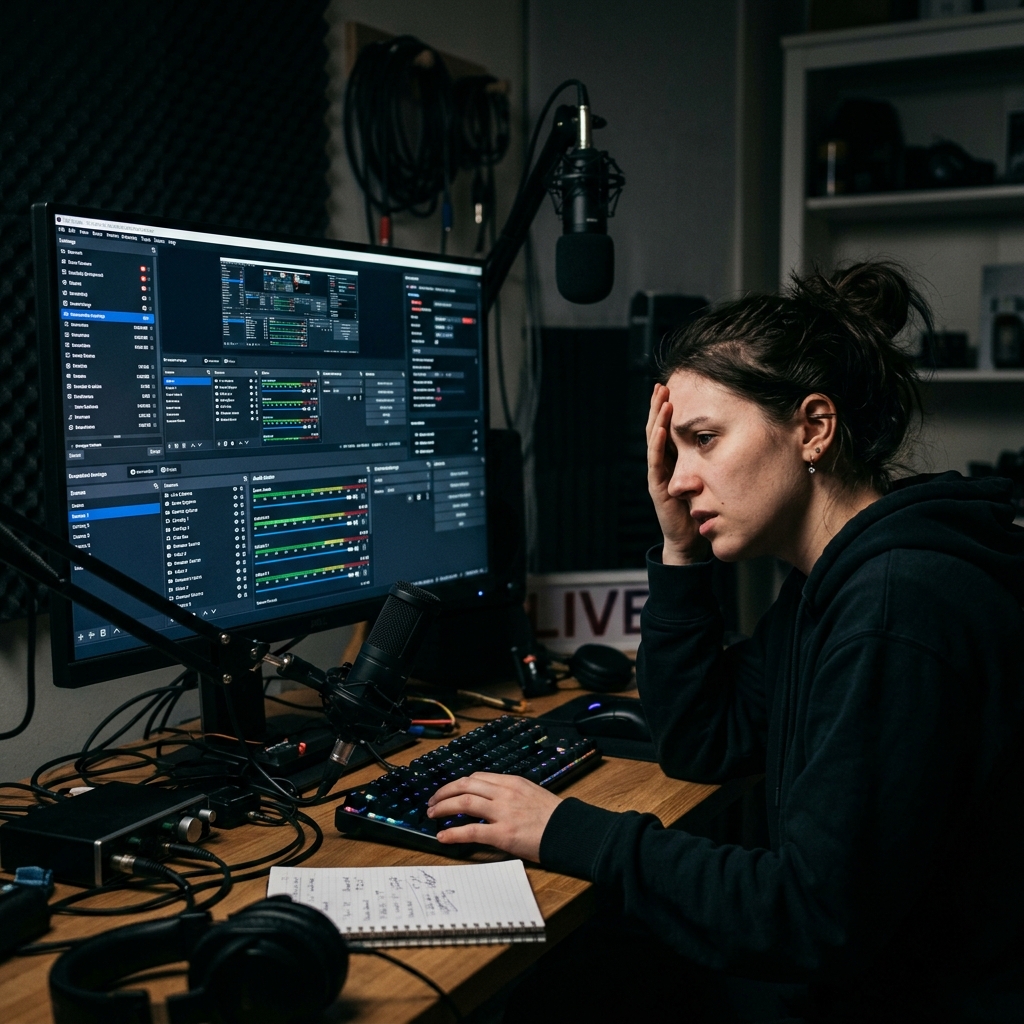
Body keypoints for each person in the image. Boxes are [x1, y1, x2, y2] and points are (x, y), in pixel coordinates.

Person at [427, 262, 1024, 1023]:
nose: (677, 480)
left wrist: (563, 828)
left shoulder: (896, 605)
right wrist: (681, 555)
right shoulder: (831, 579)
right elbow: (707, 741)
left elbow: (809, 919)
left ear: (813, 427)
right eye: (675, 451)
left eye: (704, 440)